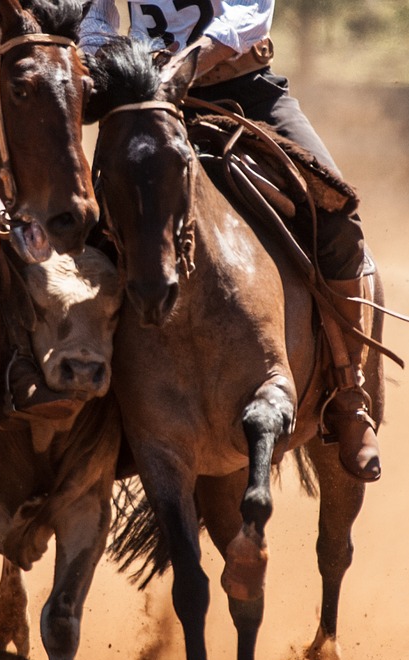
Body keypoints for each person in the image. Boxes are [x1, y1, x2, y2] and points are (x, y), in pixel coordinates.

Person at [80, 0, 383, 482]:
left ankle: (349, 396)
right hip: (143, 103)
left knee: (336, 219)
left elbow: (249, 12)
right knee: (83, 234)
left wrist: (191, 59)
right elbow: (95, 14)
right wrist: (106, 56)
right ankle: (84, 418)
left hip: (246, 95)